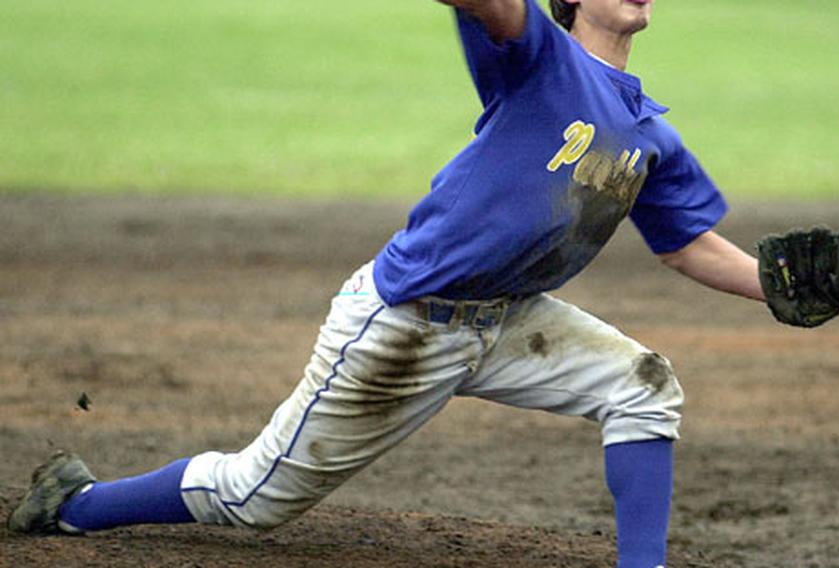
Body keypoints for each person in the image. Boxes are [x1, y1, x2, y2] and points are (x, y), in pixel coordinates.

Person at [8, 2, 768, 567]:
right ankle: (77, 503)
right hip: (405, 322)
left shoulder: (650, 133)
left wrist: (779, 285)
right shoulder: (539, 56)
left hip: (508, 321)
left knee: (644, 385)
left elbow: (688, 244)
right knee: (252, 498)